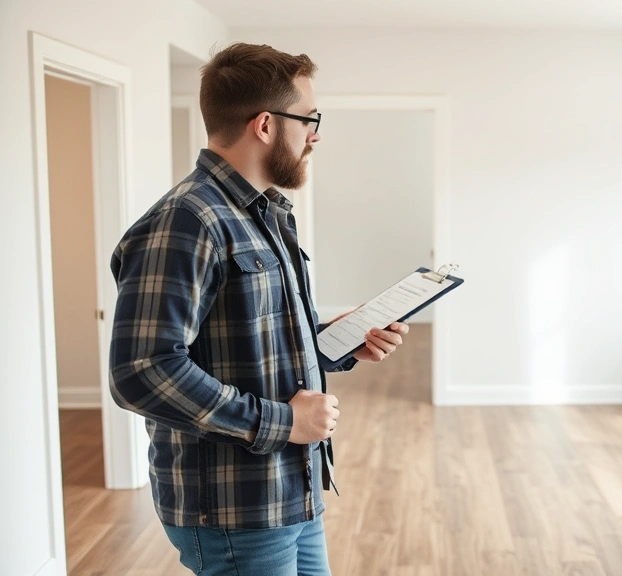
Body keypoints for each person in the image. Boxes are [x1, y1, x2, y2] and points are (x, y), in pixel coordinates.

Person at [108, 42, 407, 575]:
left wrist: (337, 341)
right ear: (265, 125)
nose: (315, 134)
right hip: (234, 511)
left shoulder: (265, 213)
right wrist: (282, 422)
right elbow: (143, 371)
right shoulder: (187, 220)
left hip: (293, 486)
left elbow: (248, 337)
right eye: (309, 119)